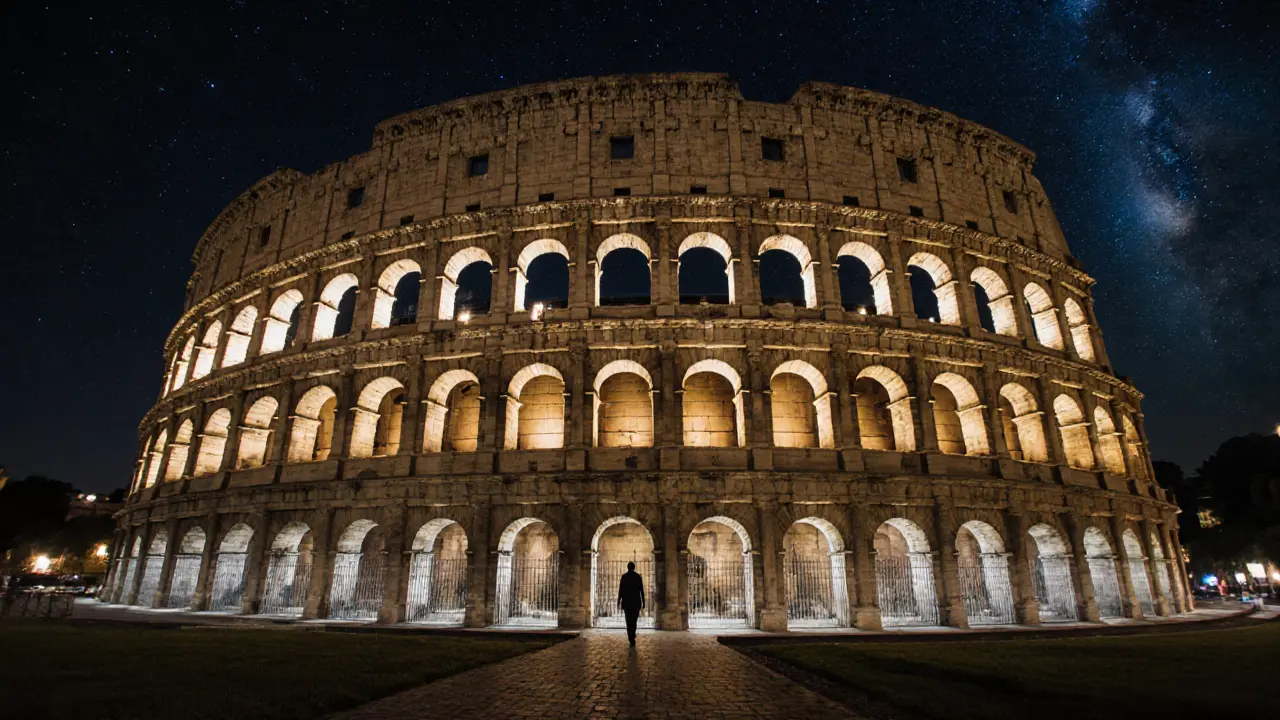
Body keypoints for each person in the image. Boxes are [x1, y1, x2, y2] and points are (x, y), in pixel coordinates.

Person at [617, 560, 645, 645]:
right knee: (634, 620)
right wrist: (643, 602)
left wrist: (619, 601)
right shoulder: (638, 577)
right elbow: (641, 591)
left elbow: (620, 590)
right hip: (636, 602)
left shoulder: (624, 577)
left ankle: (630, 636)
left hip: (627, 602)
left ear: (628, 567)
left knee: (628, 620)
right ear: (634, 567)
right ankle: (633, 634)